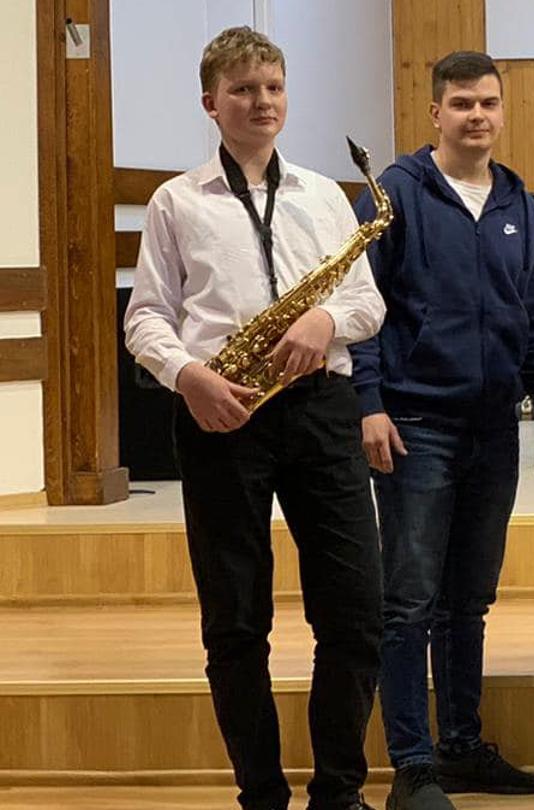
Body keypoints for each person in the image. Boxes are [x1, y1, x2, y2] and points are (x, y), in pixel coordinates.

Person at [123, 26, 386, 810]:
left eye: (271, 86)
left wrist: (325, 324)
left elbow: (366, 299)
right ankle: (261, 796)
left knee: (356, 610)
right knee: (236, 621)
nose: (261, 101)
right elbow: (145, 319)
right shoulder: (176, 201)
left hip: (319, 408)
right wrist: (188, 375)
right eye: (242, 90)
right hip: (221, 413)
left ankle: (339, 791)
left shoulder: (325, 196)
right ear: (212, 104)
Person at [351, 49, 534, 810]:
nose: (477, 116)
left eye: (489, 104)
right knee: (409, 601)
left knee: (469, 599)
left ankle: (462, 746)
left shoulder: (516, 200)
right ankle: (412, 762)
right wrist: (369, 402)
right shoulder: (394, 195)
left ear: (502, 113)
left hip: (493, 429)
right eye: (462, 103)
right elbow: (360, 308)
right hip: (413, 425)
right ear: (434, 112)